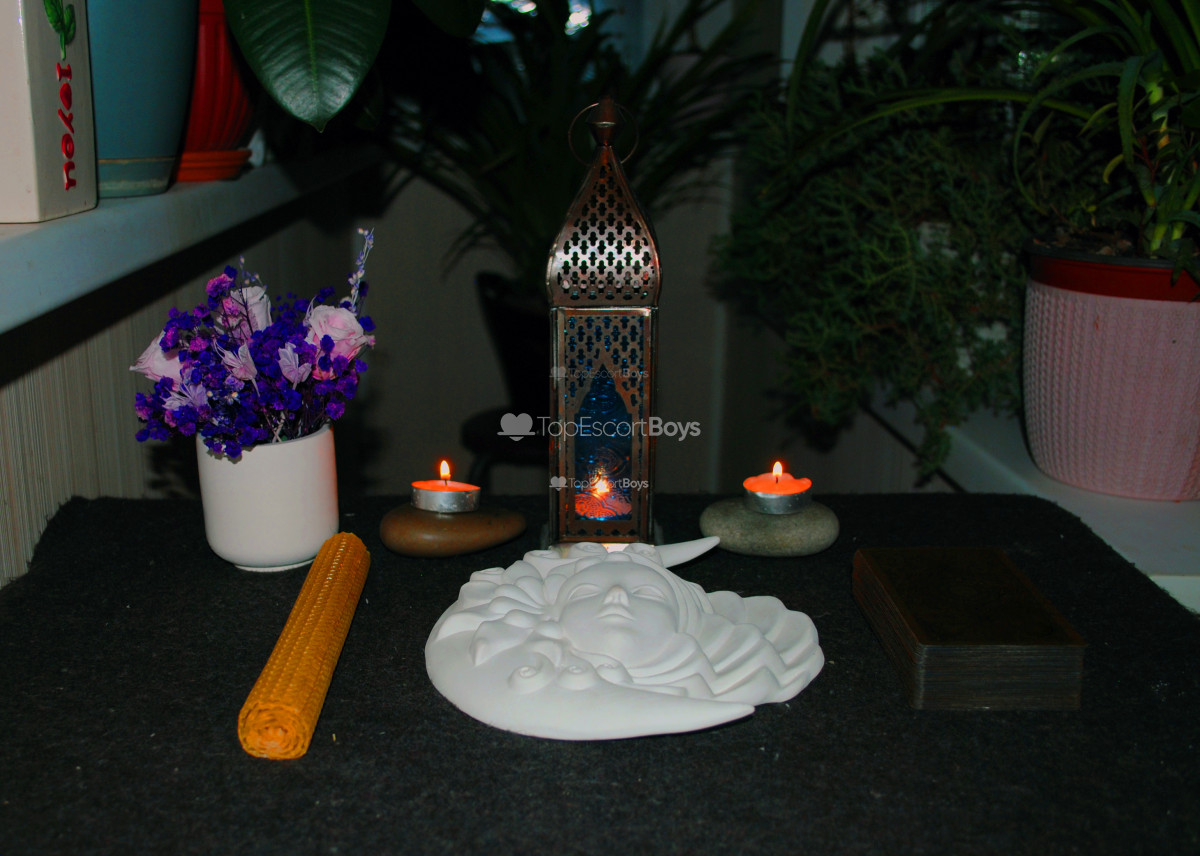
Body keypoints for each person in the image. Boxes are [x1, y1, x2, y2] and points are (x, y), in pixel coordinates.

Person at [425, 538, 824, 740]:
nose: (616, 596)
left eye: (647, 593)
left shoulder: (734, 655)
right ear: (551, 613)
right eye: (586, 592)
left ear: (686, 624)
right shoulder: (501, 642)